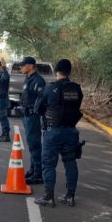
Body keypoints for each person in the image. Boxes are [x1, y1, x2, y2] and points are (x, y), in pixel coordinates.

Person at [33, 59, 84, 208]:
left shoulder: (50, 89)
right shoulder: (76, 89)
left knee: (49, 164)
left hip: (53, 131)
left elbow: (37, 108)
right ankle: (70, 196)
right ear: (69, 72)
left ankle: (49, 197)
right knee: (70, 162)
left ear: (56, 71)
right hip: (71, 131)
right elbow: (76, 106)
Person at [19, 56, 46, 185]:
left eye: (23, 65)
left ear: (30, 66)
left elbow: (41, 100)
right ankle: (33, 168)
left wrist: (34, 112)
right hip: (26, 115)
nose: (21, 67)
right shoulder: (28, 79)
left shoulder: (38, 80)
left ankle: (38, 174)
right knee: (31, 144)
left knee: (35, 144)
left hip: (32, 117)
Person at [0, 61, 11, 141]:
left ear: (1, 66)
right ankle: (4, 133)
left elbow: (6, 76)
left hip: (2, 98)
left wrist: (4, 67)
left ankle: (6, 135)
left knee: (2, 116)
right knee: (0, 116)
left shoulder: (4, 74)